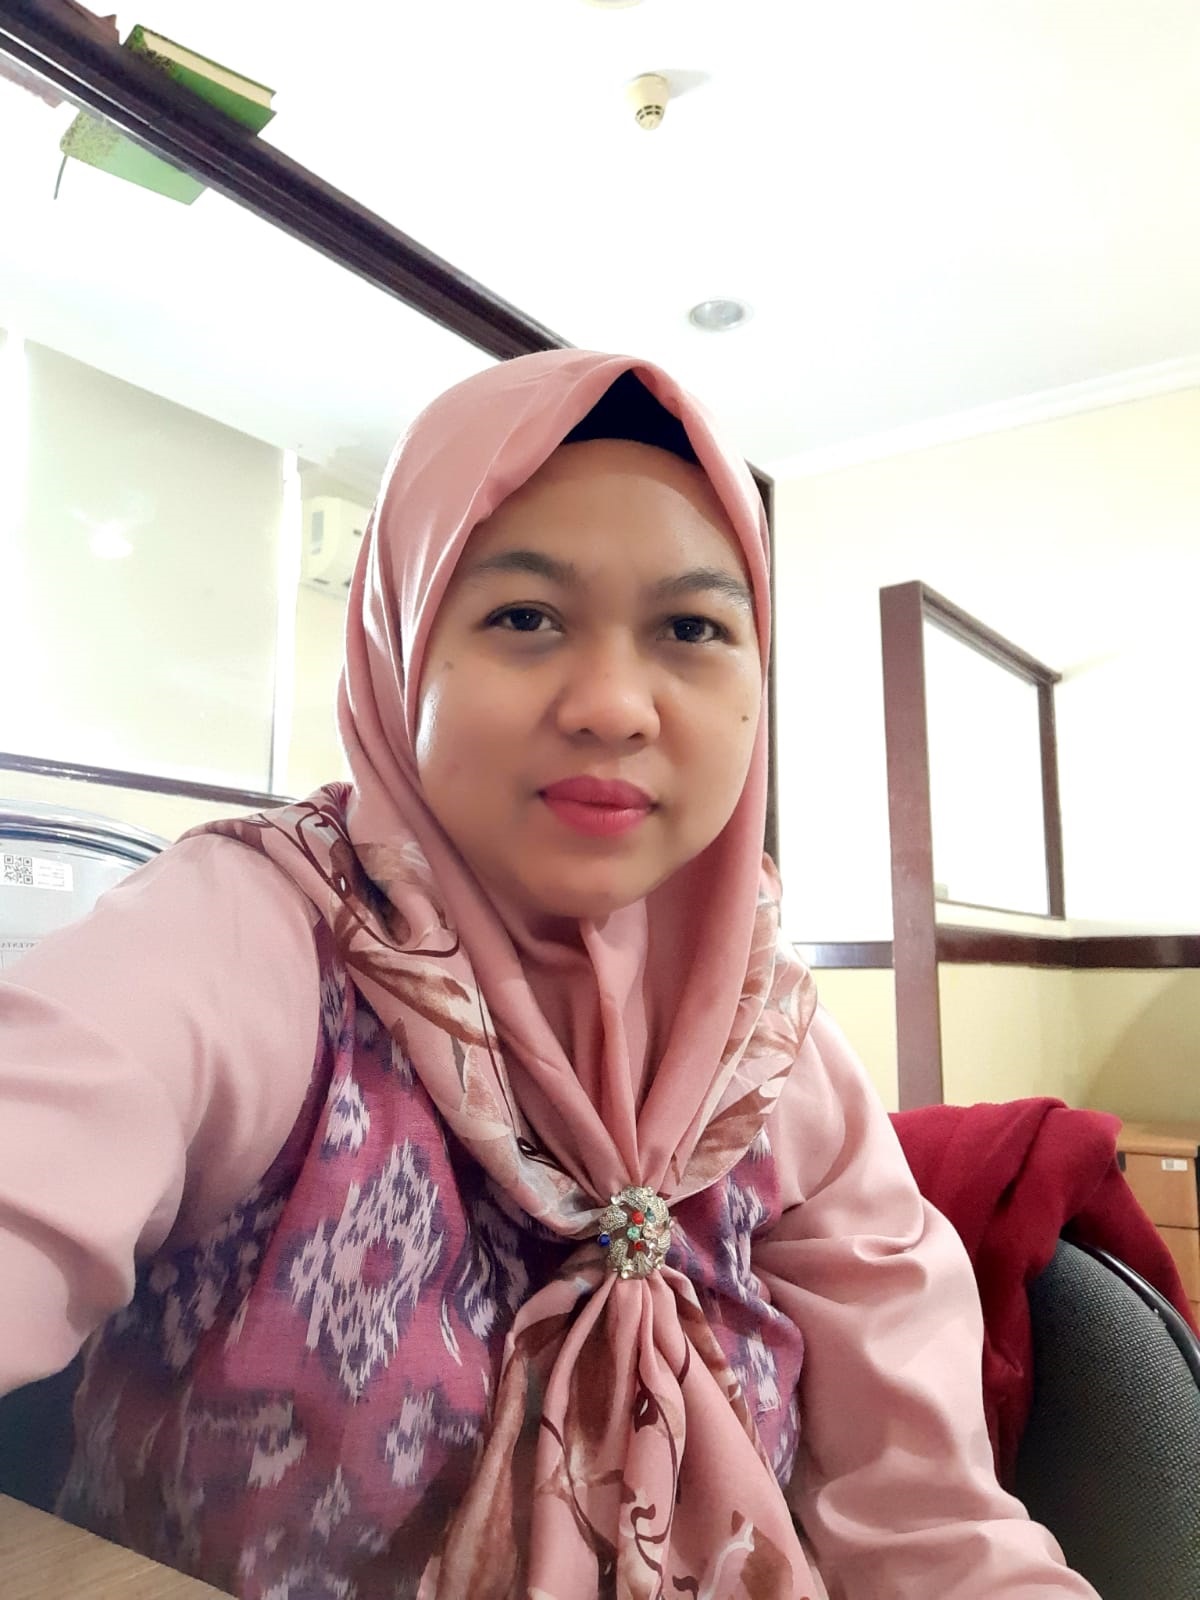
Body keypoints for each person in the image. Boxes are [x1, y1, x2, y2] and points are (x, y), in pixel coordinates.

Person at [0, 350, 1099, 1599]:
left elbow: (934, 1531)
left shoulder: (774, 1052)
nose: (615, 705)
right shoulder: (253, 937)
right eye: (524, 616)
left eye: (692, 628)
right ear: (401, 646)